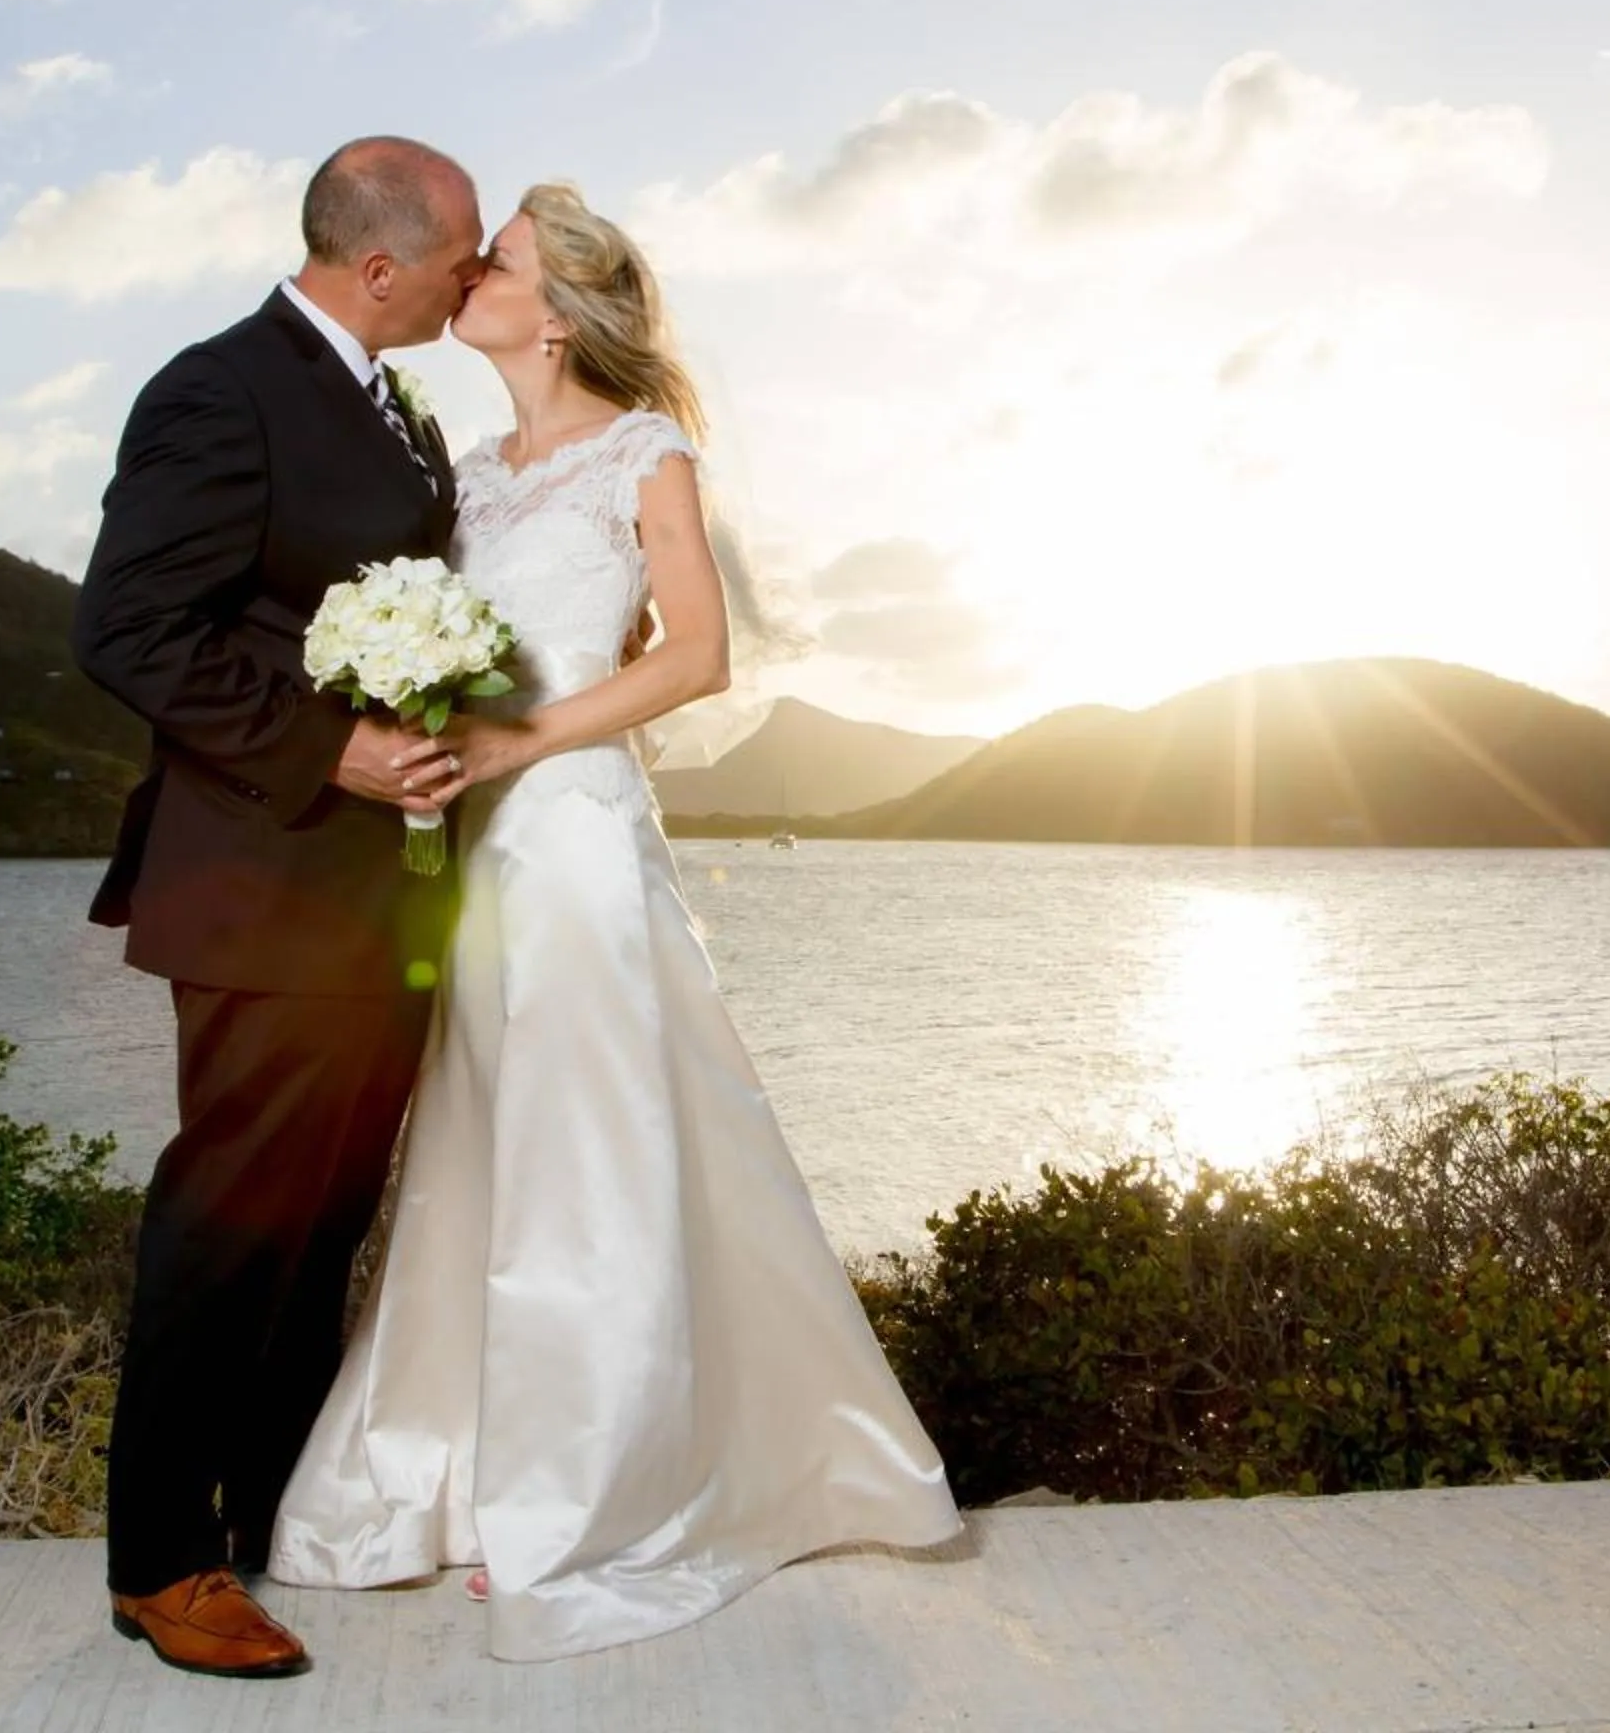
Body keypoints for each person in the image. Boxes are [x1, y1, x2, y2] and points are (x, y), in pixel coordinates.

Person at [269, 183, 962, 1660]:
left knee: (588, 1154)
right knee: (482, 1146)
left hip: (572, 840)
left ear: (563, 306)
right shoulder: (463, 468)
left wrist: (533, 742)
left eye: (497, 260)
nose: (469, 273)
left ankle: (585, 1496)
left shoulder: (647, 451)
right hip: (465, 857)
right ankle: (454, 1474)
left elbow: (699, 656)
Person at [74, 137, 494, 1680]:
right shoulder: (222, 388)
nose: (474, 277)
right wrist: (337, 749)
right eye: (458, 254)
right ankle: (161, 1564)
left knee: (324, 1225)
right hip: (260, 881)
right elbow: (126, 626)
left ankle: (272, 1519)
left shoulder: (397, 403)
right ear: (380, 265)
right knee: (227, 1222)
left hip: (377, 899)